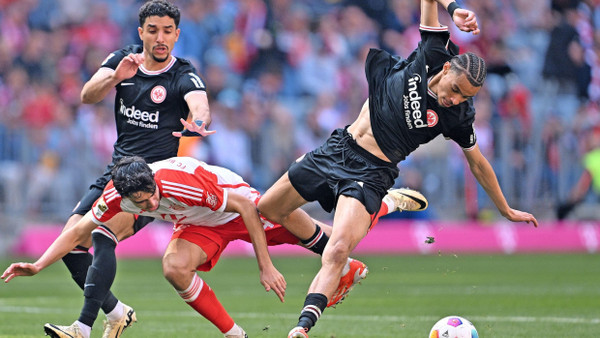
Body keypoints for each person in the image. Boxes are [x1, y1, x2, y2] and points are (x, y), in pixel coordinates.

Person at [256, 1, 540, 337]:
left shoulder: (458, 117)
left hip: (371, 173)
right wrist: (456, 7)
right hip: (338, 147)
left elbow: (477, 162)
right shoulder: (434, 52)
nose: (456, 100)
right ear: (447, 70)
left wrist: (504, 208)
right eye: (456, 91)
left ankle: (302, 328)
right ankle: (381, 214)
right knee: (268, 208)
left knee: (336, 250)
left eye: (467, 98)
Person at [2, 156, 425, 338]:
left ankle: (384, 204)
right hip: (201, 223)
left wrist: (265, 266)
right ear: (125, 197)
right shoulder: (117, 195)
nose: (150, 204)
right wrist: (38, 265)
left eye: (152, 196)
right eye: (142, 203)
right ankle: (235, 334)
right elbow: (77, 232)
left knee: (334, 239)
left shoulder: (179, 185)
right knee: (173, 267)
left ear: (154, 182)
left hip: (243, 209)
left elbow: (242, 205)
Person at [47, 1, 215, 337]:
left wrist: (198, 122)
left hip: (150, 184)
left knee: (99, 235)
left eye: (167, 30)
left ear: (177, 34)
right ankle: (117, 312)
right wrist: (114, 78)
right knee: (70, 246)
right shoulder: (123, 60)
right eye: (153, 30)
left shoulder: (182, 73)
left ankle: (82, 327)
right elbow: (86, 95)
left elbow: (200, 103)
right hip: (115, 172)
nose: (160, 37)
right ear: (142, 33)